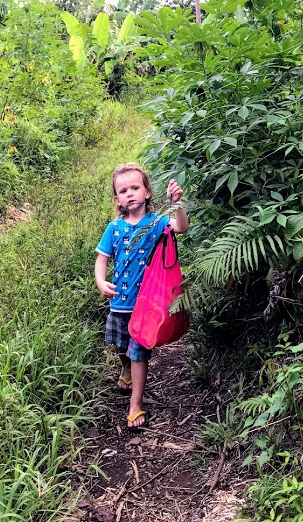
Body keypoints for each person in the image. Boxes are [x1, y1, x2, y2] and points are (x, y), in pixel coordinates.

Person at [94, 163, 189, 429]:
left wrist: (176, 204)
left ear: (147, 192)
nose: (130, 193)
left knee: (138, 352)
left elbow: (181, 227)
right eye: (123, 190)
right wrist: (101, 281)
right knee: (121, 345)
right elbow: (102, 259)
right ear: (117, 199)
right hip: (119, 302)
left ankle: (135, 405)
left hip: (146, 303)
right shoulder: (114, 228)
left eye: (135, 188)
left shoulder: (157, 222)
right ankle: (124, 368)